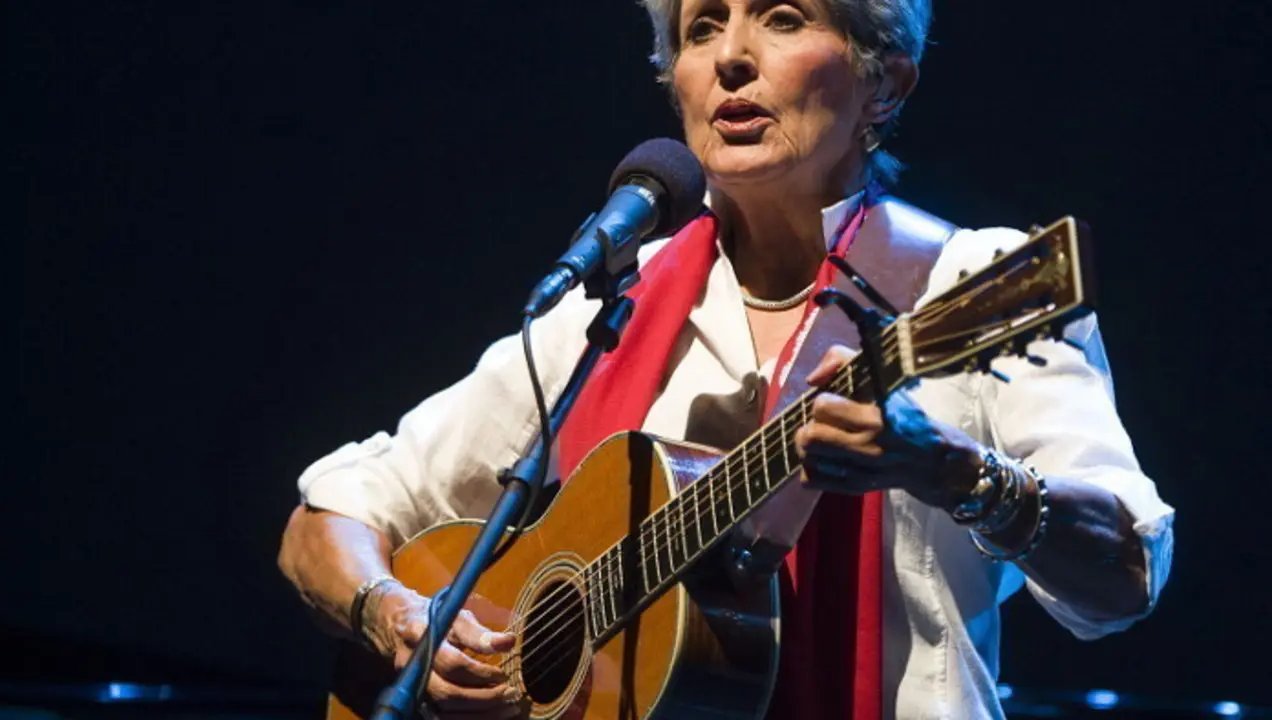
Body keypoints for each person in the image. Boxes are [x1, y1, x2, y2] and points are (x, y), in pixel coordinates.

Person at [277, 0, 1175, 717]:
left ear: (885, 82)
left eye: (783, 18)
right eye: (702, 26)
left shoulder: (964, 281)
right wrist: (397, 619)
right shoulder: (606, 317)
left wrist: (951, 470)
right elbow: (331, 515)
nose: (729, 58)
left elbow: (1126, 575)